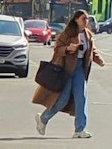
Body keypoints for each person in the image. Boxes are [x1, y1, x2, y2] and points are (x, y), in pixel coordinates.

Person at [33, 10, 103, 138]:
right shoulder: (68, 33)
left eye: (87, 19)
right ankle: (43, 118)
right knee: (62, 99)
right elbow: (57, 50)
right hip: (66, 69)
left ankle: (79, 129)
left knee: (81, 97)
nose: (86, 21)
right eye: (83, 18)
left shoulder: (87, 34)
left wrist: (99, 60)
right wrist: (68, 49)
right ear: (76, 19)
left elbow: (92, 50)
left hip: (80, 69)